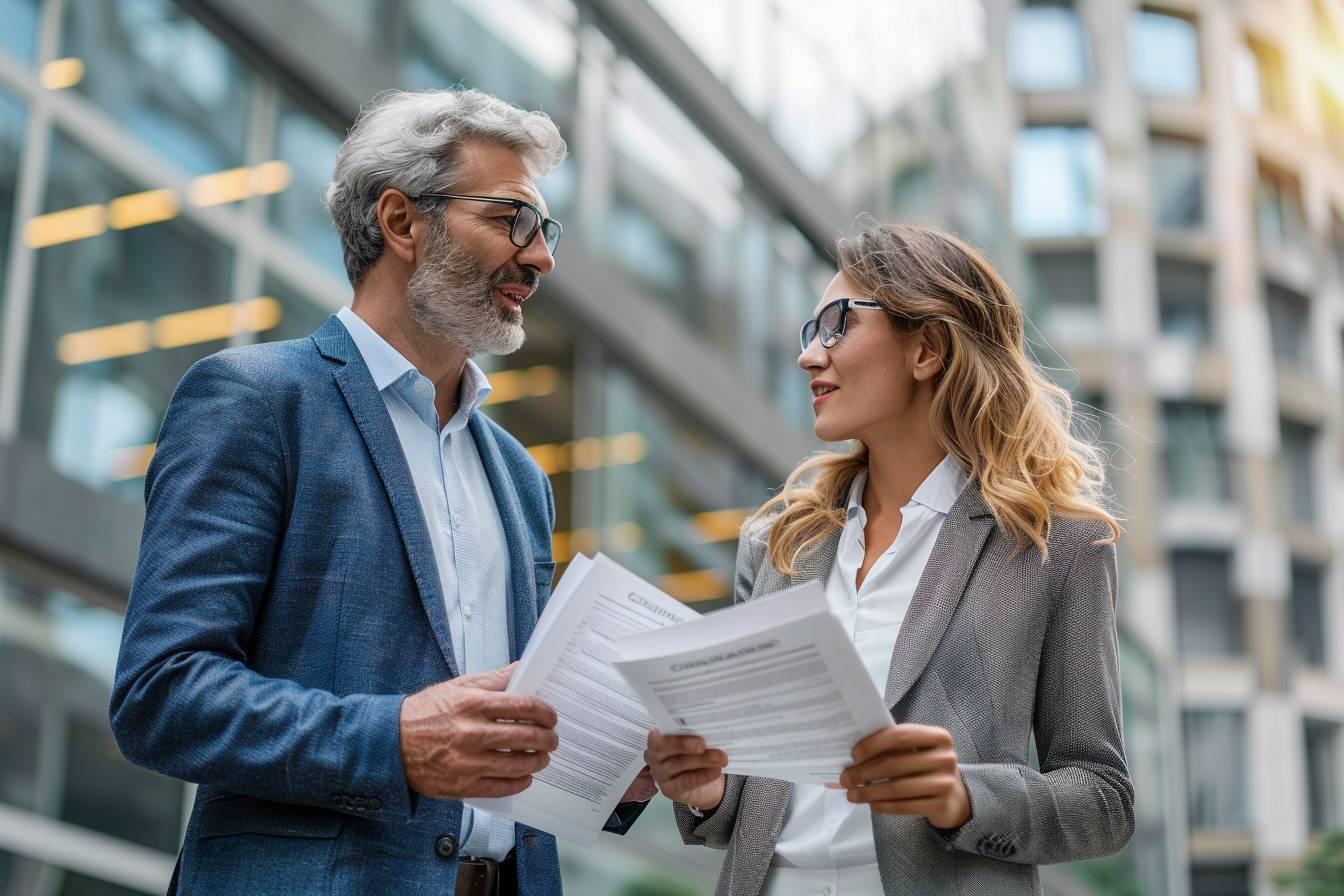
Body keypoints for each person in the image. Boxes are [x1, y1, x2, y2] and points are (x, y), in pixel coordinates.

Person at [110, 88, 651, 896]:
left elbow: (500, 728)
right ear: (402, 222)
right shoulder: (257, 401)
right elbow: (163, 694)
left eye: (546, 231)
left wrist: (615, 771)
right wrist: (393, 740)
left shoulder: (520, 478)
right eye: (513, 219)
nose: (540, 258)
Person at [644, 223, 1134, 895]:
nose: (809, 357)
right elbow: (751, 799)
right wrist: (707, 790)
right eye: (808, 331)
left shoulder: (1058, 545)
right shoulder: (779, 541)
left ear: (927, 348)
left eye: (837, 323)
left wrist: (963, 796)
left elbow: (1103, 798)